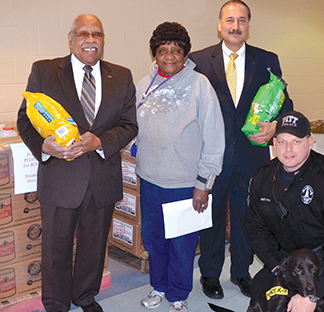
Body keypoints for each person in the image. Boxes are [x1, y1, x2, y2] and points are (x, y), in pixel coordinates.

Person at [16, 14, 138, 312]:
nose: (90, 40)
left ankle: (85, 296)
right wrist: (44, 147)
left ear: (103, 41)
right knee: (56, 248)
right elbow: (25, 119)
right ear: (70, 39)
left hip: (101, 177)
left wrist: (100, 142)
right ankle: (56, 303)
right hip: (60, 177)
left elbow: (129, 125)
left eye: (97, 34)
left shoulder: (121, 76)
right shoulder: (45, 71)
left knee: (94, 247)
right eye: (83, 34)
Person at [188, 0, 294, 299]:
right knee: (212, 219)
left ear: (249, 24)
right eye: (230, 20)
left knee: (248, 219)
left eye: (242, 20)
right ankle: (210, 274)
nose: (236, 26)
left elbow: (285, 103)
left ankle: (241, 272)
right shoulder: (198, 60)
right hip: (212, 158)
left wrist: (275, 126)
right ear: (219, 24)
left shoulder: (267, 60)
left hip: (252, 158)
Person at [135, 22, 224, 312]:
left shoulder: (200, 86)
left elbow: (214, 138)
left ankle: (178, 295)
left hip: (186, 184)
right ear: (154, 55)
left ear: (185, 54)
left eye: (176, 50)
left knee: (182, 245)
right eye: (163, 50)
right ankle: (158, 286)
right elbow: (133, 127)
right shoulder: (143, 85)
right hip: (150, 180)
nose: (169, 56)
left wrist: (203, 183)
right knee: (154, 240)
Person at [245, 111, 324, 312]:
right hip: (289, 257)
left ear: (310, 142)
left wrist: (314, 293)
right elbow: (256, 228)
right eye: (282, 142)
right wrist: (276, 266)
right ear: (274, 144)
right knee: (258, 291)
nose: (288, 149)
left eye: (296, 142)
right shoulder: (263, 178)